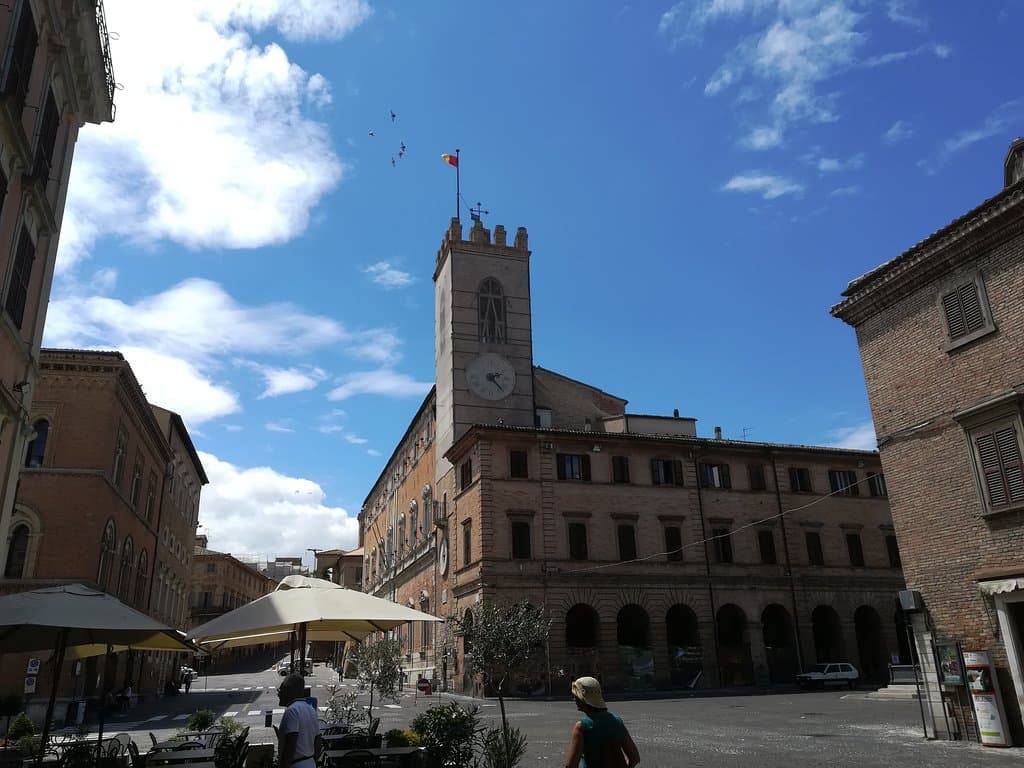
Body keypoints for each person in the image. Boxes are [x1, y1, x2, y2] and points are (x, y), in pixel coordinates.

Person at [564, 677, 639, 768]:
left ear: (582, 699)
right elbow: (634, 757)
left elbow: (571, 765)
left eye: (575, 696)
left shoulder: (582, 726)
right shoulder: (617, 721)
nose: (574, 699)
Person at [277, 674, 320, 768]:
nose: (278, 694)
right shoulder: (311, 709)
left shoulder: (292, 711)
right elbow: (317, 741)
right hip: (310, 763)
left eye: (281, 690)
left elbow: (290, 745)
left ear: (288, 690)